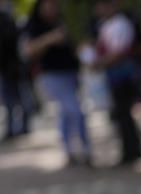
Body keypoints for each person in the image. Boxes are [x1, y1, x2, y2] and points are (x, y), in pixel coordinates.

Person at [23, 0, 91, 164]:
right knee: (75, 110)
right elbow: (28, 50)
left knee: (66, 113)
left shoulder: (62, 21)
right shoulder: (35, 26)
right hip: (52, 75)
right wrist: (51, 38)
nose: (53, 7)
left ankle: (69, 150)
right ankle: (84, 148)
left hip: (70, 73)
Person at [93, 0, 141, 165]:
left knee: (124, 114)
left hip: (123, 76)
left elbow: (118, 52)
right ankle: (130, 149)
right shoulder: (106, 24)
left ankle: (132, 150)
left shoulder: (120, 24)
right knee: (121, 115)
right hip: (115, 76)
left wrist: (100, 63)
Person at [0, 1, 30, 140]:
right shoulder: (11, 20)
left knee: (14, 99)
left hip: (11, 67)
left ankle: (18, 127)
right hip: (11, 66)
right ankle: (18, 127)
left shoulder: (9, 20)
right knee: (14, 98)